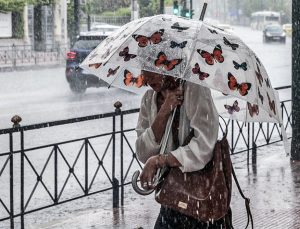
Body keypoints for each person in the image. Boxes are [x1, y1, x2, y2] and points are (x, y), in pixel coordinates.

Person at [135, 70, 224, 228]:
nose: (147, 78)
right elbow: (143, 152)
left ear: (168, 65)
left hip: (202, 195)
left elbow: (204, 145)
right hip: (171, 195)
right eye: (144, 70)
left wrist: (160, 160)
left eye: (152, 70)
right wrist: (164, 111)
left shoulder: (194, 89)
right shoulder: (149, 98)